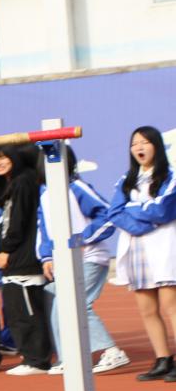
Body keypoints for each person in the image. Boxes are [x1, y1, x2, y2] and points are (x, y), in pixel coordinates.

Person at [37, 147, 130, 376]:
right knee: (61, 308)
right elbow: (44, 230)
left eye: (57, 160)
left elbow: (107, 215)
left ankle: (111, 351)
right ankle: (70, 358)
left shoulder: (77, 187)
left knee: (78, 304)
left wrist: (83, 238)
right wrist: (47, 257)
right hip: (64, 263)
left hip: (90, 257)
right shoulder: (45, 194)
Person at [102, 126, 176, 381]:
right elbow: (114, 212)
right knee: (147, 309)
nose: (139, 147)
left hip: (165, 247)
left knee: (171, 306)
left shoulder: (170, 176)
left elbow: (163, 210)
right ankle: (162, 359)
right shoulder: (126, 180)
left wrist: (135, 212)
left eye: (145, 142)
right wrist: (142, 224)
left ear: (156, 145)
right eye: (135, 143)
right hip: (136, 249)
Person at [0, 145, 51, 375]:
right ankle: (30, 356)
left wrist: (6, 249)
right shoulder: (12, 182)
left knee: (26, 310)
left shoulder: (24, 182)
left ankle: (37, 360)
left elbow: (19, 220)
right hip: (15, 256)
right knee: (15, 310)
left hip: (22, 256)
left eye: (3, 157)